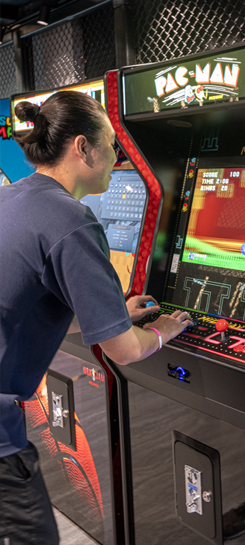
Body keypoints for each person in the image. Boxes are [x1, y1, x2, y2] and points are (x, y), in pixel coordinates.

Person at [0, 91, 193, 544]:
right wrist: (163, 332)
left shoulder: (12, 198)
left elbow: (24, 303)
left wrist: (108, 315)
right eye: (111, 144)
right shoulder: (73, 220)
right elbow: (125, 352)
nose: (117, 157)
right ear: (83, 147)